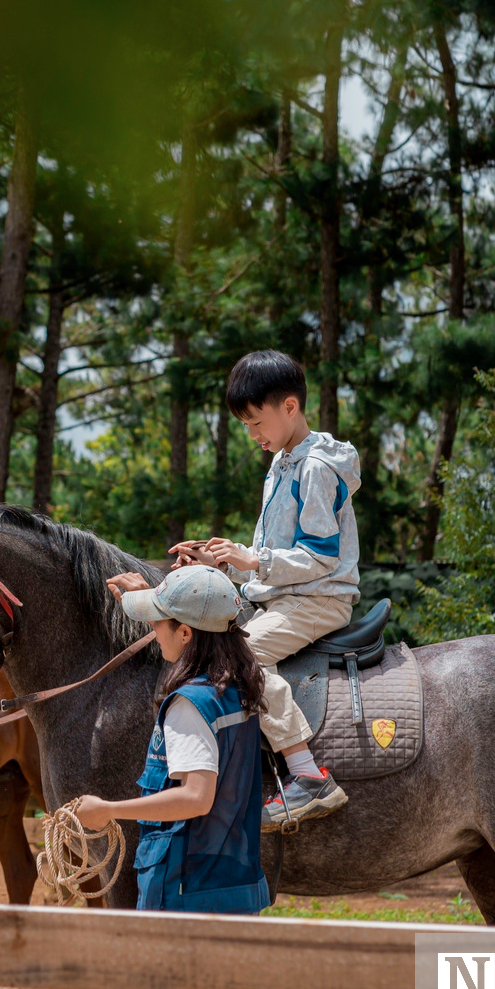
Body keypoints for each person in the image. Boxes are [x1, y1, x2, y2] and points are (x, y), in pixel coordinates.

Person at [79, 565, 269, 989]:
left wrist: (109, 810)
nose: (153, 633)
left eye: (160, 623)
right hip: (235, 894)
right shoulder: (239, 693)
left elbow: (195, 796)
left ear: (186, 633)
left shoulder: (189, 704)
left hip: (184, 898)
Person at [168, 350, 356, 832]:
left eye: (255, 422)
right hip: (284, 596)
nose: (252, 434)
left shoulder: (316, 468)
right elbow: (271, 556)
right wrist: (219, 563)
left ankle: (308, 775)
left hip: (319, 600)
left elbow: (320, 557)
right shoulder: (280, 462)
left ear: (289, 407)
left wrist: (253, 560)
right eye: (245, 425)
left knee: (242, 657)